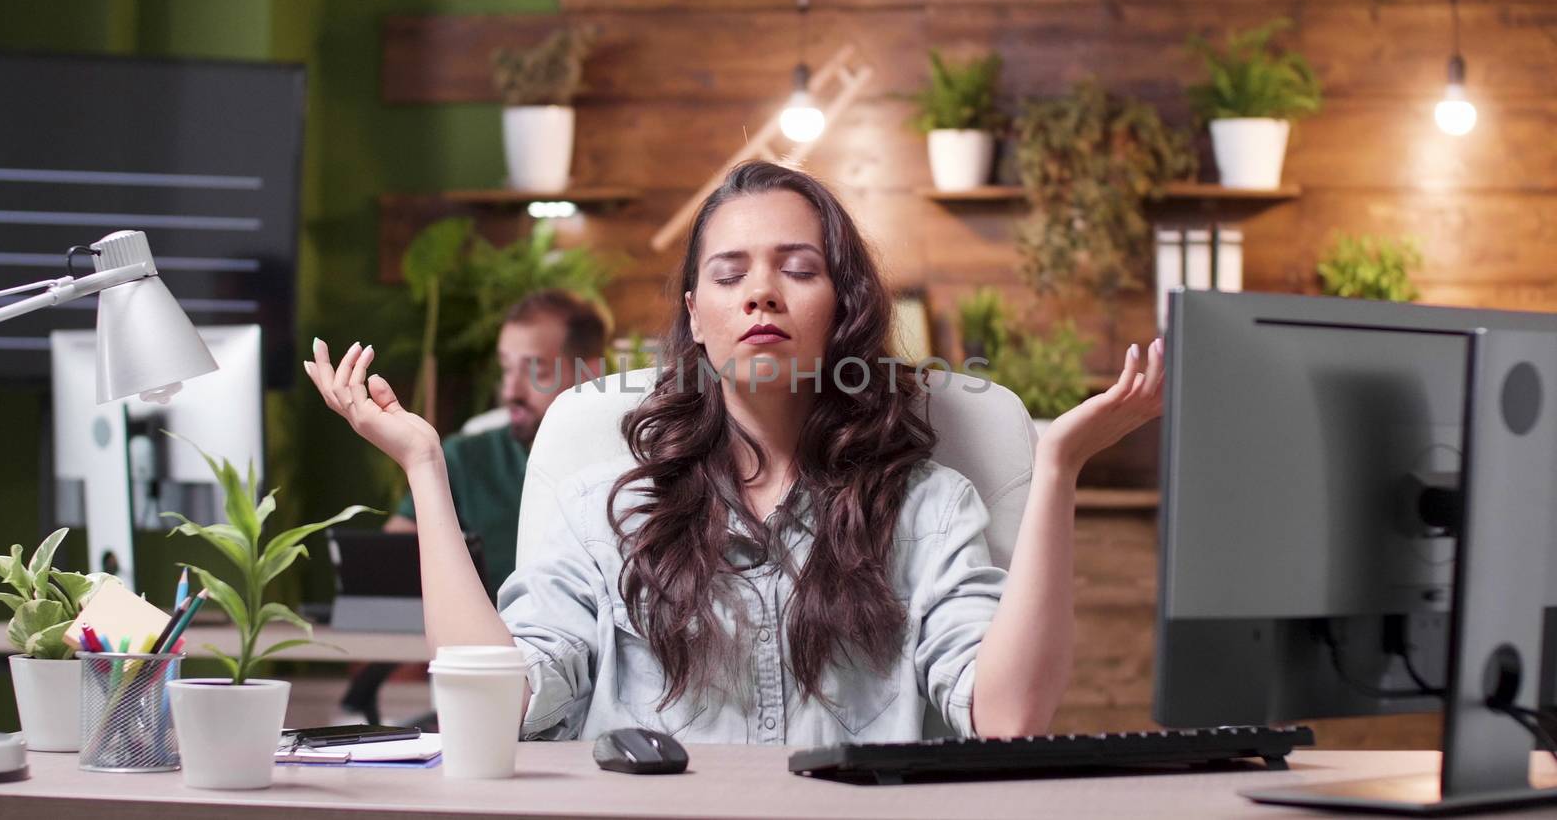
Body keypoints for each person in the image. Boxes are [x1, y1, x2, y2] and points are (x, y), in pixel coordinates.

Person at [307, 160, 1163, 745]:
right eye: (729, 275)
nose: (760, 291)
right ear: (696, 315)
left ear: (844, 308)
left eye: (798, 268)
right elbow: (497, 709)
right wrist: (425, 466)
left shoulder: (926, 506)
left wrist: (1059, 469)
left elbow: (1007, 717)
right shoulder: (609, 508)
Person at [335, 288, 608, 725]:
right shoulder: (464, 456)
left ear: (588, 373)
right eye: (505, 369)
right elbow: (389, 565)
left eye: (534, 368)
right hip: (495, 677)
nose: (511, 390)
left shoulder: (625, 465)